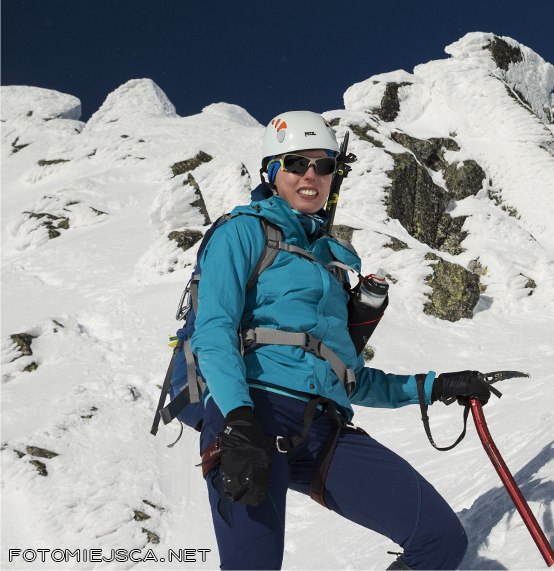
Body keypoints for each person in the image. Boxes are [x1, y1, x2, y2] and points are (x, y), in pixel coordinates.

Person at [191, 111, 490, 570]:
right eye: (295, 163)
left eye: (324, 165)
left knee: (439, 539)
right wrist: (238, 420)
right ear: (271, 171)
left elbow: (350, 377)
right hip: (252, 416)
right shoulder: (243, 231)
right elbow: (213, 332)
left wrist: (437, 386)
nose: (310, 175)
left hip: (324, 427)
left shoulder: (331, 266)